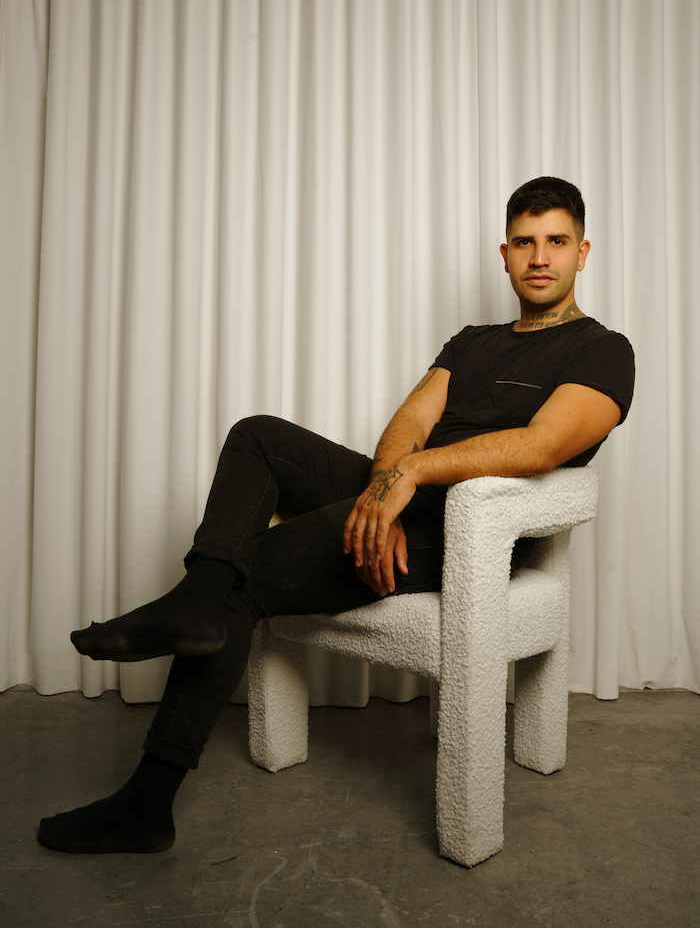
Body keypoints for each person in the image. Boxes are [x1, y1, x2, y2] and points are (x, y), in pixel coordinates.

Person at [37, 176, 635, 854]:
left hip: (470, 530)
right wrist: (382, 489)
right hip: (405, 495)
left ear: (582, 251)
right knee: (258, 436)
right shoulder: (474, 341)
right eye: (524, 242)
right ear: (504, 253)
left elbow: (541, 444)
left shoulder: (603, 348)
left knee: (247, 576)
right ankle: (197, 599)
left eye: (556, 241)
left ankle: (147, 802)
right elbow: (411, 420)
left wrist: (411, 474)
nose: (540, 257)